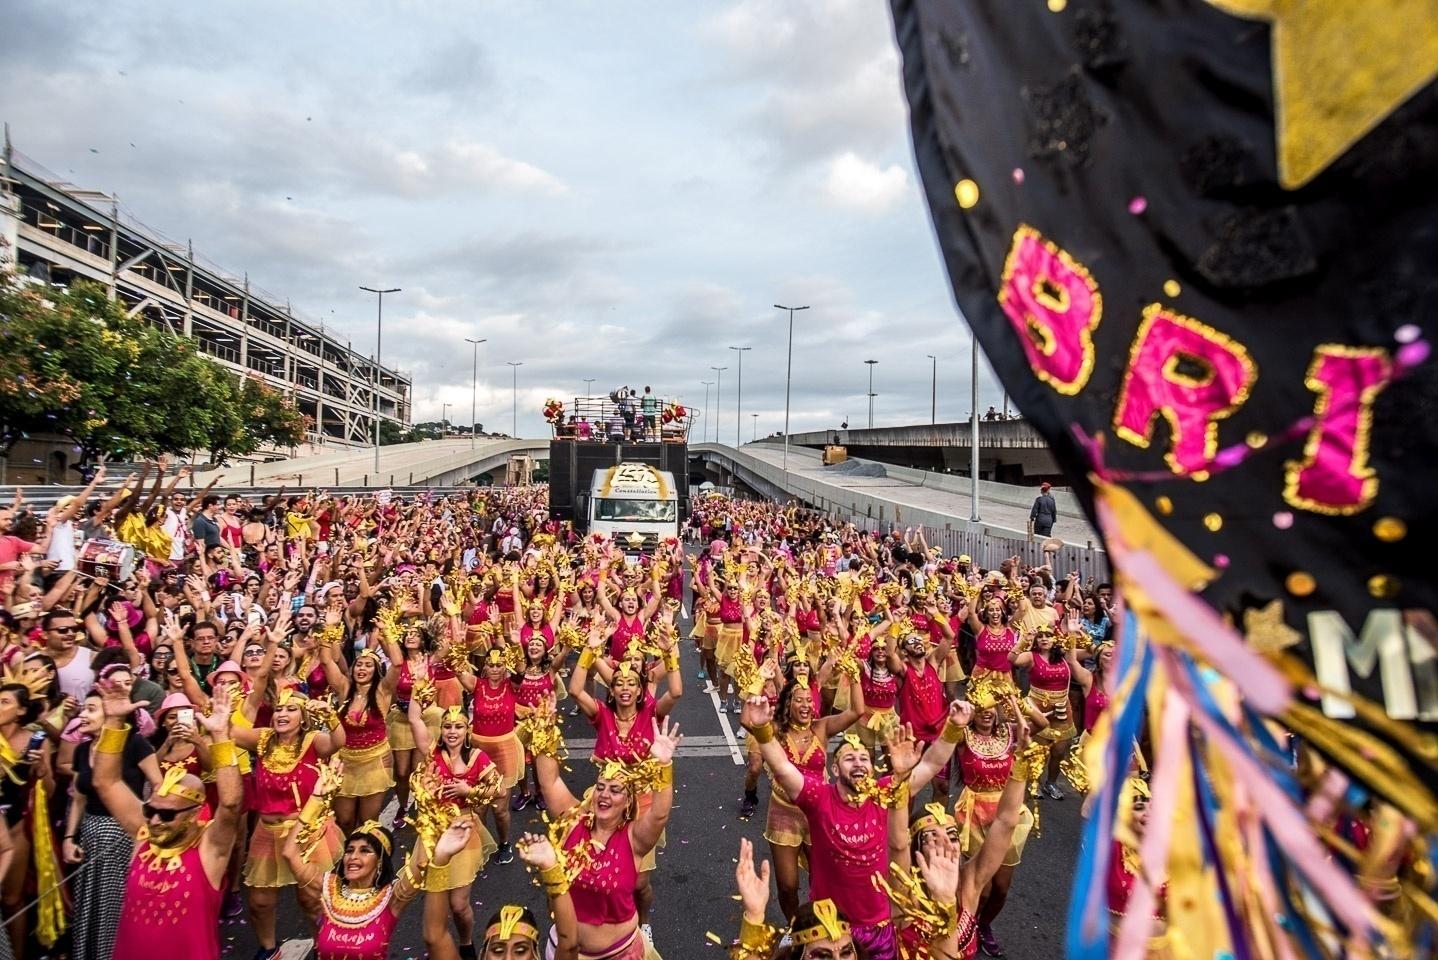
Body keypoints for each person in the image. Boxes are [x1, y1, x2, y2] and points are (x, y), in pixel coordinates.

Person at [741, 694, 968, 960]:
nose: (859, 763)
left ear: (872, 768)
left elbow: (930, 764)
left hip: (879, 928)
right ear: (835, 768)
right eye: (850, 759)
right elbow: (781, 766)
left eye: (864, 759)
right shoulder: (819, 797)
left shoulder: (886, 793)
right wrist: (762, 730)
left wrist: (953, 727)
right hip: (827, 930)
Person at [90, 680, 243, 960]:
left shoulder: (210, 849)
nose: (156, 820)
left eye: (168, 814)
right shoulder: (145, 832)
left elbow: (231, 804)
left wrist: (220, 735)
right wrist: (113, 722)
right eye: (151, 810)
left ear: (195, 814)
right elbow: (105, 782)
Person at [280, 757, 475, 960]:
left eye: (365, 851)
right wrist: (316, 798)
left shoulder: (389, 900)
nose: (353, 857)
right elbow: (290, 853)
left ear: (380, 862)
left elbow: (421, 865)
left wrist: (428, 810)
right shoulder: (328, 889)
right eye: (350, 850)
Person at [532, 697, 681, 959]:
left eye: (615, 790)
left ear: (627, 803)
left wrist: (664, 765)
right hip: (563, 952)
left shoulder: (634, 839)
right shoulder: (573, 821)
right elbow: (550, 782)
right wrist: (545, 728)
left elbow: (659, 815)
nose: (604, 794)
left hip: (620, 953)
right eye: (600, 787)